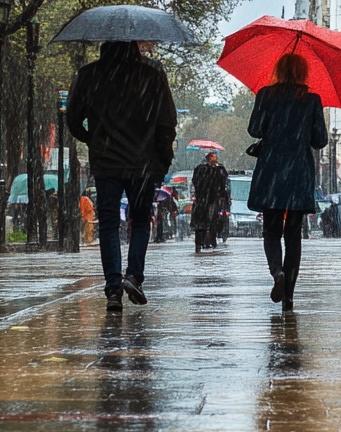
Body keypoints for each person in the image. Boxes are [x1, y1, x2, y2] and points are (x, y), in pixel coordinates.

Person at [66, 40, 177, 310]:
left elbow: (72, 118)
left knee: (108, 225)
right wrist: (162, 158)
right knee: (139, 222)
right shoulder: (152, 73)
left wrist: (93, 138)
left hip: (106, 163)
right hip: (143, 163)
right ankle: (134, 276)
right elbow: (167, 121)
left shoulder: (90, 74)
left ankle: (113, 288)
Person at [247, 53, 328, 312]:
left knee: (271, 229)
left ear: (278, 71)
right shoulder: (312, 100)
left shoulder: (266, 95)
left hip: (272, 169)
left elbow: (255, 129)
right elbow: (320, 140)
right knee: (294, 234)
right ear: (304, 73)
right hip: (298, 172)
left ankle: (277, 273)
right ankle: (289, 297)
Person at [191, 151, 230, 252]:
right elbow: (196, 181)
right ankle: (200, 242)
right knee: (201, 222)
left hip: (213, 199)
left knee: (212, 221)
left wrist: (222, 197)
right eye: (213, 156)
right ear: (208, 158)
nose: (215, 158)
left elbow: (223, 182)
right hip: (202, 199)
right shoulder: (201, 169)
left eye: (215, 156)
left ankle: (210, 241)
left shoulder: (219, 169)